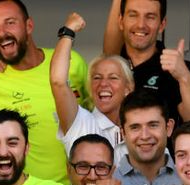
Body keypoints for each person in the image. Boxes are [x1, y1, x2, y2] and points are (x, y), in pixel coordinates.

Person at [0, 0, 91, 184]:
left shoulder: (71, 61)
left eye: (10, 22)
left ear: (29, 26)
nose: (2, 33)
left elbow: (102, 118)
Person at [99, 0, 190, 122]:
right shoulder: (113, 65)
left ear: (162, 24)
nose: (141, 25)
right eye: (133, 15)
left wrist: (184, 77)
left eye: (150, 17)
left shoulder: (179, 69)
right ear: (121, 21)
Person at [52, 13, 133, 167]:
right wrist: (68, 32)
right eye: (97, 78)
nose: (103, 84)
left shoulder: (140, 130)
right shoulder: (82, 123)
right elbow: (58, 81)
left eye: (113, 78)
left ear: (128, 89)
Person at [113, 89, 178, 185]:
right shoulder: (108, 184)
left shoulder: (189, 181)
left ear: (168, 128)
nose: (145, 136)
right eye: (135, 127)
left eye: (153, 125)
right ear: (123, 133)